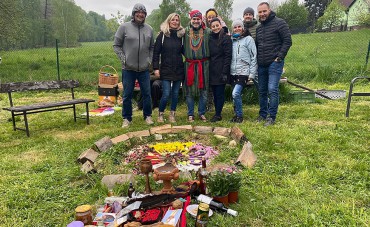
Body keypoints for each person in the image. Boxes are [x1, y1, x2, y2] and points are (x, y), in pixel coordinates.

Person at [113, 3, 155, 128]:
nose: (140, 14)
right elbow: (116, 45)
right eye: (138, 12)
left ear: (145, 15)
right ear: (133, 14)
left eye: (143, 13)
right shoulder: (124, 27)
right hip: (128, 68)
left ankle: (147, 116)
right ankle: (127, 118)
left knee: (147, 94)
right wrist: (123, 59)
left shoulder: (149, 29)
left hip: (144, 68)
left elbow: (152, 47)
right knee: (127, 94)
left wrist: (149, 60)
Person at [256, 2, 292, 126]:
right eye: (260, 12)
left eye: (264, 11)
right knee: (262, 91)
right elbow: (257, 46)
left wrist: (279, 57)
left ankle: (272, 117)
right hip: (261, 64)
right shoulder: (259, 28)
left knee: (272, 89)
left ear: (269, 10)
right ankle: (262, 114)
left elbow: (287, 41)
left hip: (274, 63)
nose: (262, 14)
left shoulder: (279, 23)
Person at [152, 13, 185, 123]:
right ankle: (160, 114)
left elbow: (186, 51)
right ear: (169, 21)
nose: (175, 22)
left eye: (177, 20)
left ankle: (172, 114)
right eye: (173, 20)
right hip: (165, 68)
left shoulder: (181, 36)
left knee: (175, 93)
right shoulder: (162, 35)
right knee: (166, 93)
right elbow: (156, 53)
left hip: (178, 68)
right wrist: (156, 68)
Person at [183, 10, 211, 122]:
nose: (196, 21)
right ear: (190, 20)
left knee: (204, 90)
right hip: (189, 64)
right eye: (194, 19)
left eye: (198, 19)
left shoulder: (207, 31)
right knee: (189, 90)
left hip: (204, 65)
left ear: (201, 20)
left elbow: (220, 30)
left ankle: (201, 112)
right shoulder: (184, 31)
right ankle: (190, 113)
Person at [230, 19, 257, 123]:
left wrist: (252, 73)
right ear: (233, 29)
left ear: (242, 28)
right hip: (233, 72)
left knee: (235, 93)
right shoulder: (231, 40)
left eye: (239, 26)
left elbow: (254, 56)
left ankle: (240, 116)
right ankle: (236, 115)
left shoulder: (248, 39)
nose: (237, 29)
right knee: (234, 96)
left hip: (244, 72)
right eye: (235, 27)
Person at [208, 18, 232, 122]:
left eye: (217, 25)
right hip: (211, 69)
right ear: (211, 28)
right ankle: (217, 112)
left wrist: (224, 72)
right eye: (213, 26)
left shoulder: (226, 38)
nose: (215, 28)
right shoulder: (209, 39)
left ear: (220, 26)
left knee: (219, 93)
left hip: (221, 69)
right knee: (214, 93)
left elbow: (228, 56)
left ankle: (218, 114)